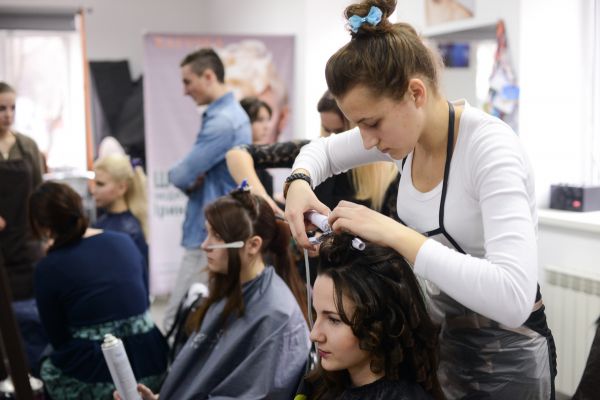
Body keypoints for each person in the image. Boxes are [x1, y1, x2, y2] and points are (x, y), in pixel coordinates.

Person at [284, 1, 556, 398]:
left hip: (510, 351)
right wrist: (298, 182)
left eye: (371, 123)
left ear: (416, 93)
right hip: (442, 337)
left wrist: (394, 234)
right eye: (358, 126)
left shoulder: (490, 149)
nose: (366, 141)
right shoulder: (403, 138)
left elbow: (512, 296)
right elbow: (321, 152)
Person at [116, 187, 311, 400]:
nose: (204, 245)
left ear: (253, 245)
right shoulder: (229, 289)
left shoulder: (277, 315)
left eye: (217, 236)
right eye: (207, 233)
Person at [29, 181, 167, 399]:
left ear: (43, 227)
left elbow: (57, 337)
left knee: (46, 366)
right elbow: (143, 299)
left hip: (98, 371)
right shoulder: (124, 241)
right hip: (152, 359)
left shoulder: (48, 267)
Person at [165, 48, 252, 332]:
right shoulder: (227, 116)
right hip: (215, 230)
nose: (184, 91)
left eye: (187, 81)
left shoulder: (223, 122)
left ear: (209, 76)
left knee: (178, 321)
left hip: (209, 235)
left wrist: (182, 176)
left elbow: (181, 174)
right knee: (203, 318)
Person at [296, 233, 444, 399]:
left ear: (381, 323)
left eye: (333, 320)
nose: (314, 335)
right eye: (316, 314)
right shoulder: (317, 384)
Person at [226, 90, 399, 217]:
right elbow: (238, 153)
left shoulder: (390, 173)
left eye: (339, 132)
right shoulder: (312, 152)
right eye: (326, 129)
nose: (332, 138)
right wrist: (262, 196)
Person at [0, 81, 47, 372]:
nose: (8, 114)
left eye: (12, 108)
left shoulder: (27, 146)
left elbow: (41, 195)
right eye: (1, 108)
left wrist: (46, 236)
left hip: (27, 243)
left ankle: (32, 378)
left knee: (29, 320)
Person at [93, 154, 149, 270]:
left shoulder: (129, 231)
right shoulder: (102, 223)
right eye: (95, 184)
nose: (94, 191)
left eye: (100, 184)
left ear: (122, 188)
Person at [240, 96, 275, 196]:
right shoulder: (239, 158)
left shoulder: (259, 158)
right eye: (260, 120)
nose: (267, 126)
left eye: (268, 120)